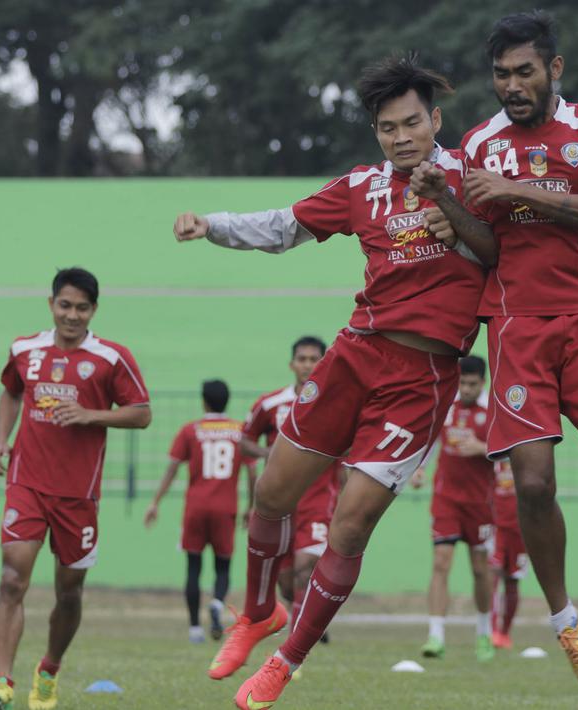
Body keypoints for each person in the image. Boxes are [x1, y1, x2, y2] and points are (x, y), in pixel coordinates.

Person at [172, 56, 490, 709]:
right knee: (270, 493)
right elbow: (285, 227)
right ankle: (257, 611)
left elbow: (499, 252)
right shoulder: (362, 186)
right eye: (386, 128)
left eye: (411, 123)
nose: (401, 138)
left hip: (422, 377)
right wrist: (213, 227)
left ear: (435, 119)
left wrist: (450, 212)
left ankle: (284, 664)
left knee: (347, 529)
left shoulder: (472, 177)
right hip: (353, 355)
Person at [416, 11, 578, 686]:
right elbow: (487, 246)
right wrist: (450, 205)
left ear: (553, 69)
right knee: (533, 483)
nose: (511, 85)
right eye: (501, 75)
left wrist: (513, 190)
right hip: (514, 330)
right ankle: (565, 621)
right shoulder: (479, 142)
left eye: (524, 72)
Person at [0, 267, 151, 710]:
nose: (72, 315)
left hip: (78, 495)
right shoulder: (24, 349)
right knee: (11, 577)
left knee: (69, 592)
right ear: (51, 303)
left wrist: (91, 415)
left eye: (81, 308)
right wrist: (1, 440)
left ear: (93, 310)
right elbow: (12, 393)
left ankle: (49, 670)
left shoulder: (112, 358)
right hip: (27, 483)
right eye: (64, 305)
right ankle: (2, 681)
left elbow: (141, 412)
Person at [239, 336, 339, 649]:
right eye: (302, 359)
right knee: (285, 582)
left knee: (305, 565)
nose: (308, 364)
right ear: (292, 364)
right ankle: (309, 621)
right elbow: (244, 440)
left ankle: (294, 648)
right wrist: (269, 454)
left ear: (323, 364)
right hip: (281, 502)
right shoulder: (271, 404)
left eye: (314, 359)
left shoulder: (338, 406)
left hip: (318, 499)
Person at [145, 379, 257, 643]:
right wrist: (250, 507)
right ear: (227, 400)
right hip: (225, 508)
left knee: (193, 567)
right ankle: (217, 603)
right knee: (223, 566)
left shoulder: (190, 431)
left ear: (203, 401)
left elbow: (172, 468)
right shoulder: (240, 432)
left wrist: (155, 502)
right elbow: (253, 472)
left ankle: (195, 629)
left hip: (195, 508)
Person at [410, 356, 496, 662]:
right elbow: (428, 442)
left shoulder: (494, 412)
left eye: (472, 384)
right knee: (441, 563)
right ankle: (435, 635)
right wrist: (418, 469)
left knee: (479, 569)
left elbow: (512, 452)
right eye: (462, 383)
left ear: (483, 383)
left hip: (481, 504)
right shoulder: (446, 408)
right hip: (446, 500)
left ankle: (484, 633)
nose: (466, 389)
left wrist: (482, 449)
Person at [488, 459, 528, 649]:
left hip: (521, 530)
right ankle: (492, 630)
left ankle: (505, 633)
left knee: (513, 580)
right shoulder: (493, 460)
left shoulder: (527, 460)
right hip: (497, 528)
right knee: (493, 574)